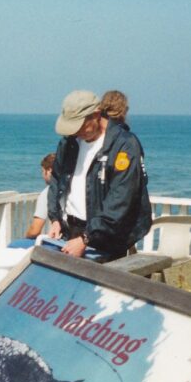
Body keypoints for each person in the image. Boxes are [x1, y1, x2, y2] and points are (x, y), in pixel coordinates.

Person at [46, 90, 151, 261]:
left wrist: (86, 238)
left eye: (80, 126)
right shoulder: (69, 143)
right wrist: (55, 219)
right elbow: (57, 180)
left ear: (95, 115)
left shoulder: (124, 145)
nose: (76, 132)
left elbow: (121, 199)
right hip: (70, 231)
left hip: (108, 237)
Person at [24, 153, 57, 239]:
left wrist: (26, 236)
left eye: (43, 171)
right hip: (79, 238)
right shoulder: (74, 188)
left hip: (61, 241)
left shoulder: (48, 192)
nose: (42, 175)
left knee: (15, 244)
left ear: (49, 170)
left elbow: (35, 231)